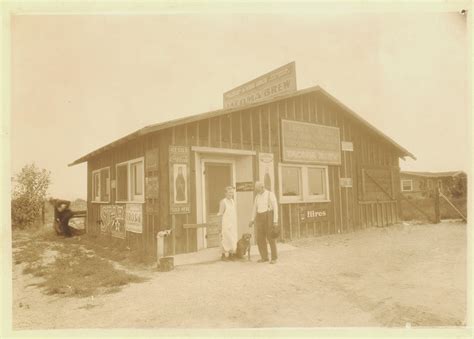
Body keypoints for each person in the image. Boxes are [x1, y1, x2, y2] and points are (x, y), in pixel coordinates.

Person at [249, 181, 279, 264]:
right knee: (260, 239)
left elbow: (275, 208)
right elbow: (254, 208)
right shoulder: (257, 197)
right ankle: (264, 257)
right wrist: (252, 219)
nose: (256, 191)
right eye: (256, 189)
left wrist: (275, 221)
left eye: (257, 189)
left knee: (271, 238)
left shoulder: (270, 194)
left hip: (268, 216)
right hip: (259, 217)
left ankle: (274, 258)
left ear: (262, 187)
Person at [217, 186, 238, 261]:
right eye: (229, 192)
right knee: (225, 239)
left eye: (232, 192)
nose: (231, 194)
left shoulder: (233, 201)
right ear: (225, 193)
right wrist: (219, 226)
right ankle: (223, 255)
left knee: (232, 238)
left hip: (232, 224)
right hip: (225, 224)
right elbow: (220, 214)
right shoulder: (223, 202)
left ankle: (231, 254)